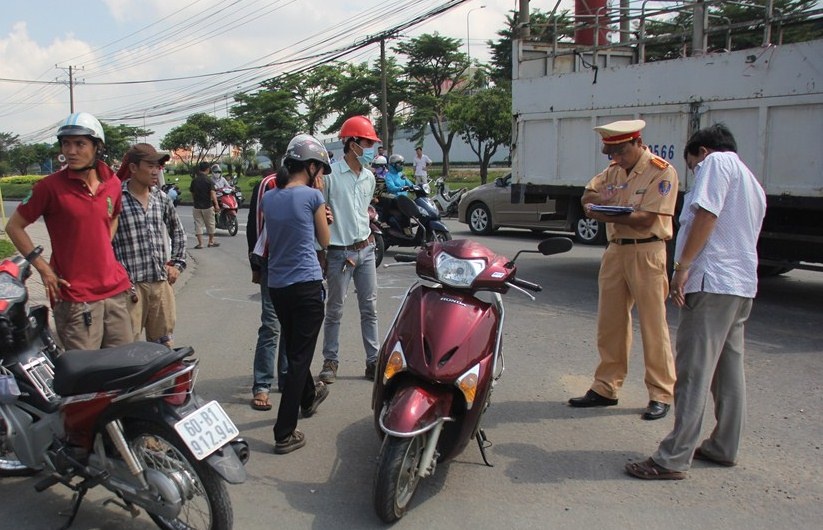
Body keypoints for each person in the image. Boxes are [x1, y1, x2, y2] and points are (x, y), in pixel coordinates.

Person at [626, 124, 766, 480]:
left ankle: (672, 458)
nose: (694, 170)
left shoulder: (715, 163)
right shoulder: (752, 181)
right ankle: (723, 446)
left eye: (691, 164)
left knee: (693, 371)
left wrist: (682, 267)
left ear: (702, 151)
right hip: (740, 285)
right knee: (728, 371)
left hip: (711, 281)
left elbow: (706, 214)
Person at [569, 119, 678, 421]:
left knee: (653, 326)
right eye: (611, 153)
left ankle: (660, 393)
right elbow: (587, 197)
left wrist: (604, 212)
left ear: (637, 143)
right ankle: (606, 387)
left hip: (647, 250)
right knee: (611, 323)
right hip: (616, 250)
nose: (616, 158)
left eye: (620, 151)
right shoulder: (613, 171)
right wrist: (599, 204)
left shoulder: (661, 171)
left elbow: (645, 219)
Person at [4, 112, 133, 350]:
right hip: (76, 297)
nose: (71, 151)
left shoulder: (112, 183)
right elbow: (14, 226)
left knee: (124, 365)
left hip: (115, 291)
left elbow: (114, 215)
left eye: (80, 144)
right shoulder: (48, 187)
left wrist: (103, 245)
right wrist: (43, 269)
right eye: (66, 143)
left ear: (97, 147)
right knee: (85, 369)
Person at [263, 134, 332, 454]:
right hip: (306, 286)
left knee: (294, 349)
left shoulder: (269, 197)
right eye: (320, 169)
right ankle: (284, 432)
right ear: (312, 166)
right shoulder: (312, 197)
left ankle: (308, 397)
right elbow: (325, 240)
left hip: (278, 286)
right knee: (300, 360)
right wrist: (324, 212)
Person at [318, 115, 380, 383]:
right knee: (335, 310)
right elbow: (319, 213)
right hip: (339, 253)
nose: (372, 149)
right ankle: (330, 361)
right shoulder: (330, 177)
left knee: (370, 309)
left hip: (366, 249)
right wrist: (320, 252)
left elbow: (364, 210)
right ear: (353, 144)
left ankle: (373, 361)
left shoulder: (369, 178)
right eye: (368, 143)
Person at [112, 143, 186, 347]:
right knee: (128, 347)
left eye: (158, 166)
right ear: (133, 168)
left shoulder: (161, 198)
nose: (156, 171)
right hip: (130, 287)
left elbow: (178, 231)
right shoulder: (116, 198)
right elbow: (105, 240)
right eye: (150, 166)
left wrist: (177, 264)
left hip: (160, 283)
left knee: (164, 345)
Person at [246, 167, 286, 411]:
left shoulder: (314, 187)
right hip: (272, 262)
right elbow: (255, 224)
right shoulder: (270, 184)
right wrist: (255, 264)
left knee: (292, 326)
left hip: (301, 266)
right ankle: (262, 384)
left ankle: (286, 377)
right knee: (271, 326)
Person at [191, 161, 220, 248]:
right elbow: (212, 193)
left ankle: (200, 243)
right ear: (207, 169)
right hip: (207, 205)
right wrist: (216, 204)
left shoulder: (194, 181)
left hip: (197, 206)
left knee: (198, 224)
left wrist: (195, 201)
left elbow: (192, 193)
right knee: (210, 223)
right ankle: (211, 241)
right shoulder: (209, 180)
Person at [384, 154, 415, 234]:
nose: (402, 166)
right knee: (405, 209)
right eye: (399, 164)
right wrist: (401, 188)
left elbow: (409, 184)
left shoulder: (401, 174)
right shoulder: (388, 176)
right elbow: (391, 187)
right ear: (393, 165)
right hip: (395, 198)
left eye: (402, 164)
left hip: (404, 198)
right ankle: (405, 227)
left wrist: (416, 187)